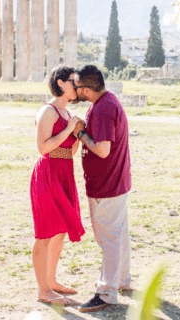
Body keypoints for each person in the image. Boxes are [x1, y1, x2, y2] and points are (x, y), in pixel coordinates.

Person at [73, 65, 132, 313]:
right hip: (115, 181)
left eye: (77, 87)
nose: (75, 90)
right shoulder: (105, 101)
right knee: (118, 236)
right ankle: (121, 280)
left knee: (108, 239)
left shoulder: (105, 108)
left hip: (107, 185)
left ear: (86, 89)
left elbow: (103, 149)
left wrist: (81, 134)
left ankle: (107, 292)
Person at [30, 65, 87, 306]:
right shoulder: (49, 111)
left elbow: (70, 152)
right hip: (47, 174)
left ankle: (52, 282)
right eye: (74, 82)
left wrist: (76, 134)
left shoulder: (66, 115)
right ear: (61, 83)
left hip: (64, 172)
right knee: (45, 233)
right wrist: (67, 129)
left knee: (61, 230)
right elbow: (43, 148)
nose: (77, 87)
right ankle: (43, 290)